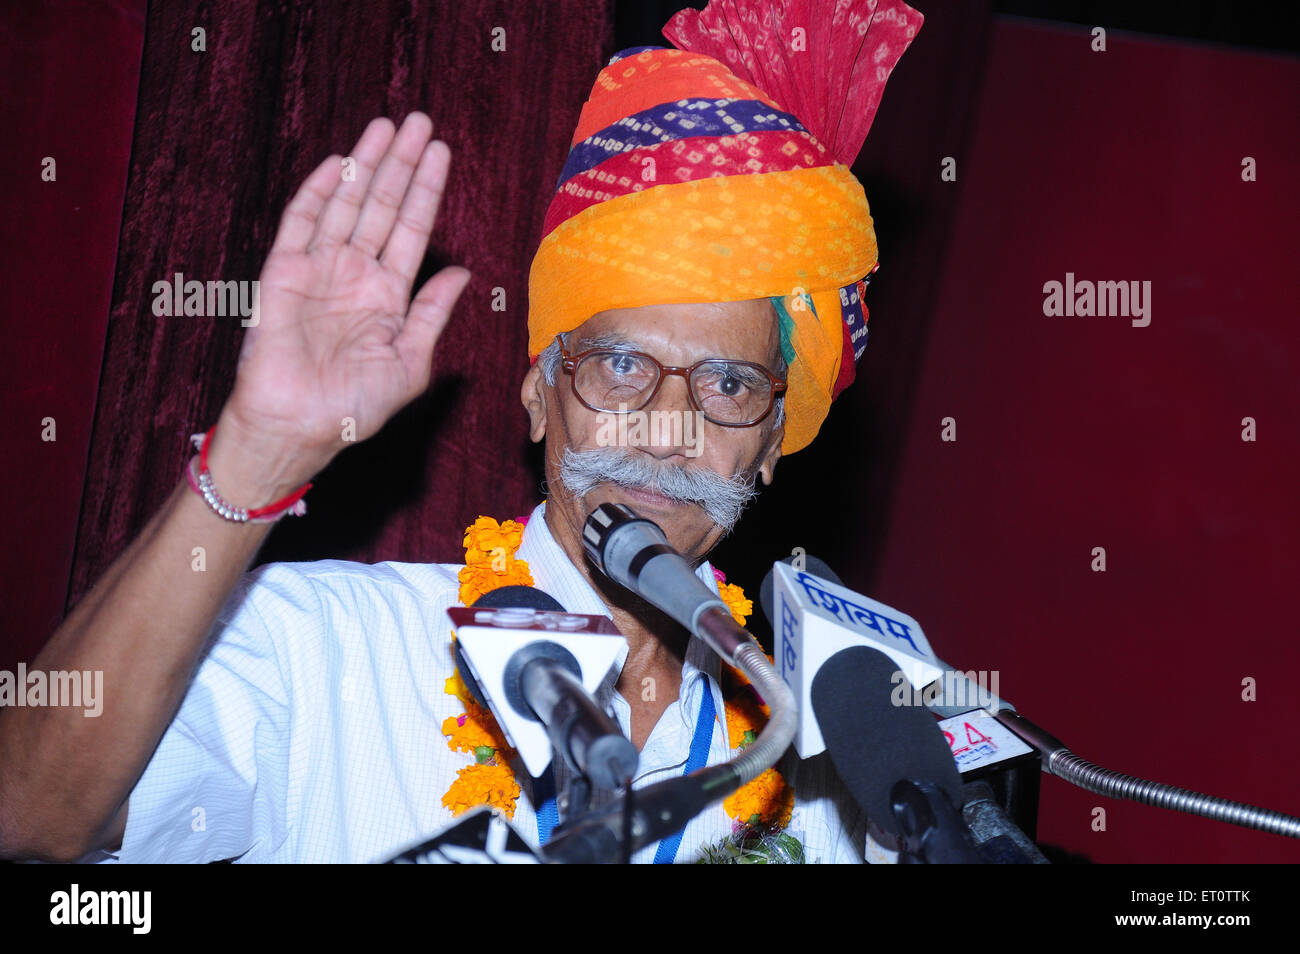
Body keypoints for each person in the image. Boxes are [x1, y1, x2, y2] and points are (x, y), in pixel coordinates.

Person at [0, 0, 922, 863]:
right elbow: (30, 815)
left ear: (768, 445)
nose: (668, 427)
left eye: (728, 384)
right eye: (623, 366)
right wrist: (255, 458)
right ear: (538, 392)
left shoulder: (823, 777)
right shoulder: (327, 648)